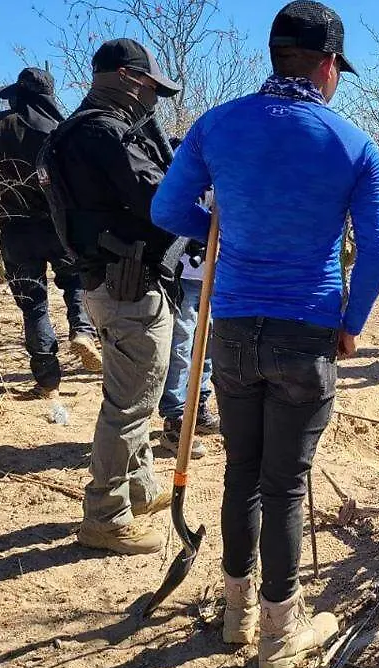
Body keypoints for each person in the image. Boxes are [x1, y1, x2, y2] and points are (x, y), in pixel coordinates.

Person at [151, 2, 379, 668]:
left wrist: (225, 232)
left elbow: (167, 208)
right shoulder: (354, 146)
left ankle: (237, 614)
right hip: (305, 328)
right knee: (284, 484)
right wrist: (351, 323)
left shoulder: (216, 124)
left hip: (231, 327)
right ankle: (281, 636)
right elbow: (376, 251)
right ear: (327, 65)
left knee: (243, 472)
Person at [38, 38, 184, 556]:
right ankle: (105, 515)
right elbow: (160, 202)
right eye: (151, 88)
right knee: (129, 405)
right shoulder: (105, 133)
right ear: (126, 77)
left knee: (133, 394)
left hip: (105, 282)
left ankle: (137, 489)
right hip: (129, 287)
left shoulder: (70, 131)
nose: (154, 99)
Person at [0, 67, 102, 399]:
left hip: (15, 229)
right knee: (75, 283)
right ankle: (82, 330)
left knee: (33, 305)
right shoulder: (62, 130)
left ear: (16, 96)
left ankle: (48, 382)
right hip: (61, 226)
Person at [157, 136, 217, 459]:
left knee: (206, 344)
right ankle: (175, 417)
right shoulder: (183, 160)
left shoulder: (232, 164)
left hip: (217, 272)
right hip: (185, 274)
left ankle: (199, 405)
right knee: (181, 344)